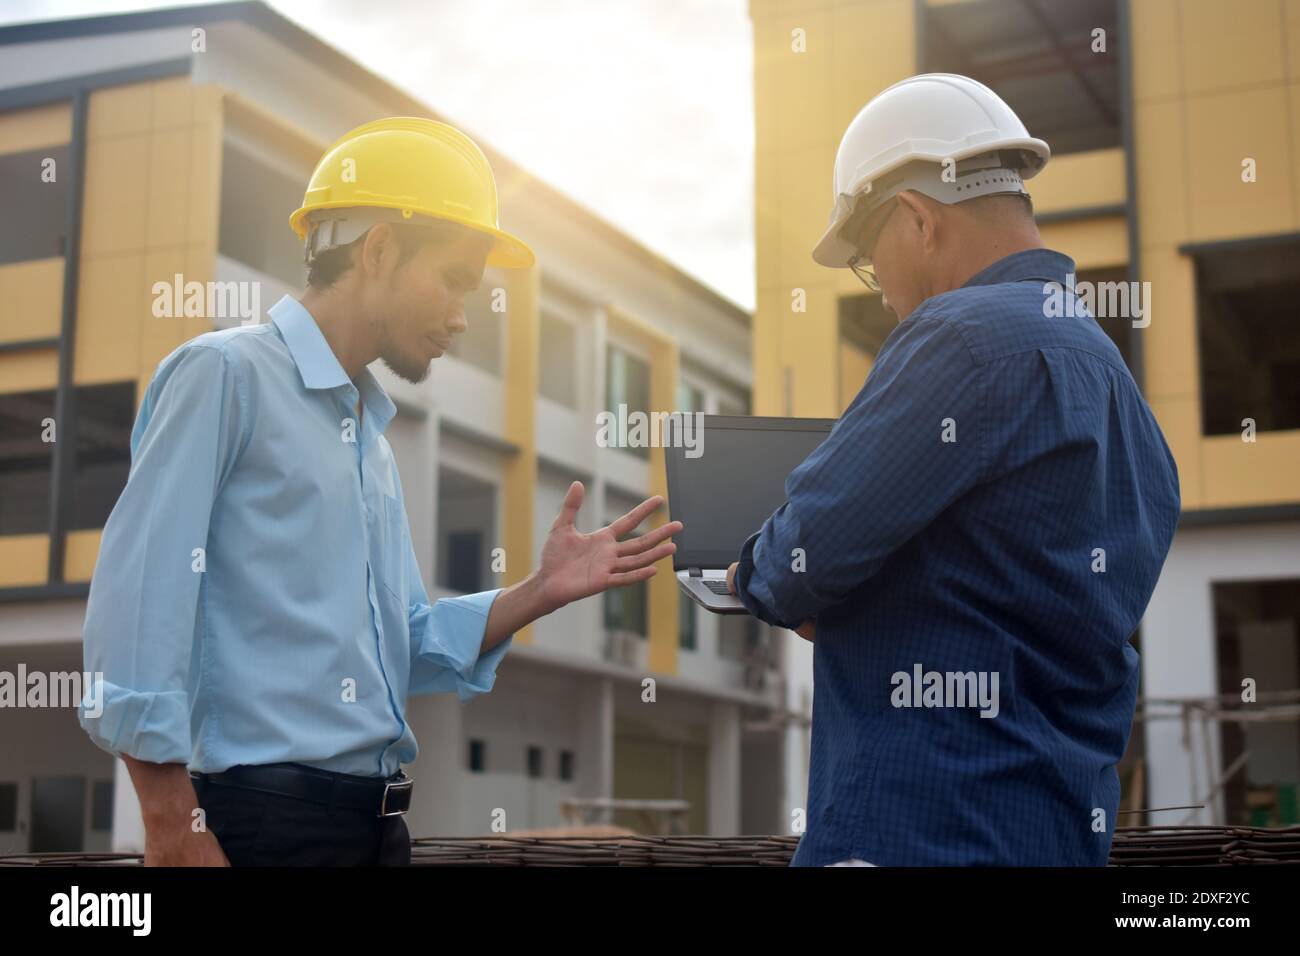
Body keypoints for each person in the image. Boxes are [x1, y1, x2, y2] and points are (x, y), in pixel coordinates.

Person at [78, 117, 681, 866]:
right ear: (380, 249)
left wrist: (538, 591)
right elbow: (139, 597)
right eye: (455, 280)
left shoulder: (369, 437)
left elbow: (404, 646)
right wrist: (171, 826)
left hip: (376, 832)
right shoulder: (224, 376)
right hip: (260, 829)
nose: (463, 318)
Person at [726, 74, 1181, 866]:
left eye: (871, 264)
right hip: (1060, 833)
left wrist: (747, 576)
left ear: (915, 219)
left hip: (922, 829)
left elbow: (802, 557)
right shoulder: (1117, 385)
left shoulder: (960, 338)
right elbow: (1012, 590)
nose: (886, 298)